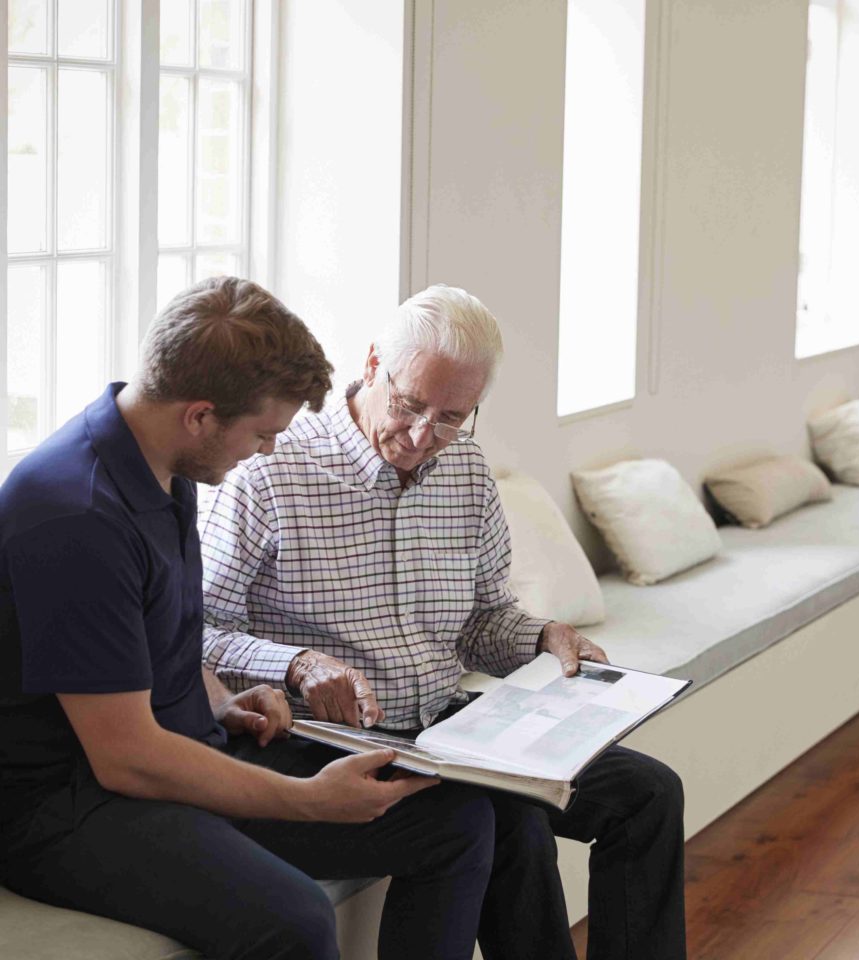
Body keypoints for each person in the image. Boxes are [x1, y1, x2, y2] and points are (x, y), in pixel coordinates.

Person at [0, 277, 496, 960]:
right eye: (262, 433)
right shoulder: (77, 513)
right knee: (293, 922)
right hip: (71, 806)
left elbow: (165, 638)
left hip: (173, 747)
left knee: (454, 819)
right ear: (201, 416)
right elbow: (124, 758)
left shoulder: (162, 465)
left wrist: (224, 699)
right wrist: (307, 800)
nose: (266, 452)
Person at [201, 283, 687, 960]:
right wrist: (297, 665)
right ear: (373, 365)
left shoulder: (465, 470)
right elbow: (196, 632)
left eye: (454, 416)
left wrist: (543, 639)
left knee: (648, 793)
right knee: (504, 820)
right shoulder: (270, 472)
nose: (425, 436)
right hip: (323, 742)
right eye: (409, 406)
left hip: (448, 728)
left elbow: (483, 619)